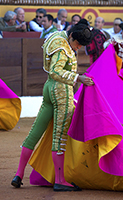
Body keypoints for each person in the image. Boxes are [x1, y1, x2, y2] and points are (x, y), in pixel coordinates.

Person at [11, 23, 94, 191]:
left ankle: (18, 174)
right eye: (78, 44)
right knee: (60, 137)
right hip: (61, 90)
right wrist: (78, 78)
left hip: (49, 88)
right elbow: (56, 71)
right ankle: (60, 180)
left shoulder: (56, 36)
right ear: (71, 37)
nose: (78, 48)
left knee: (35, 132)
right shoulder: (63, 47)